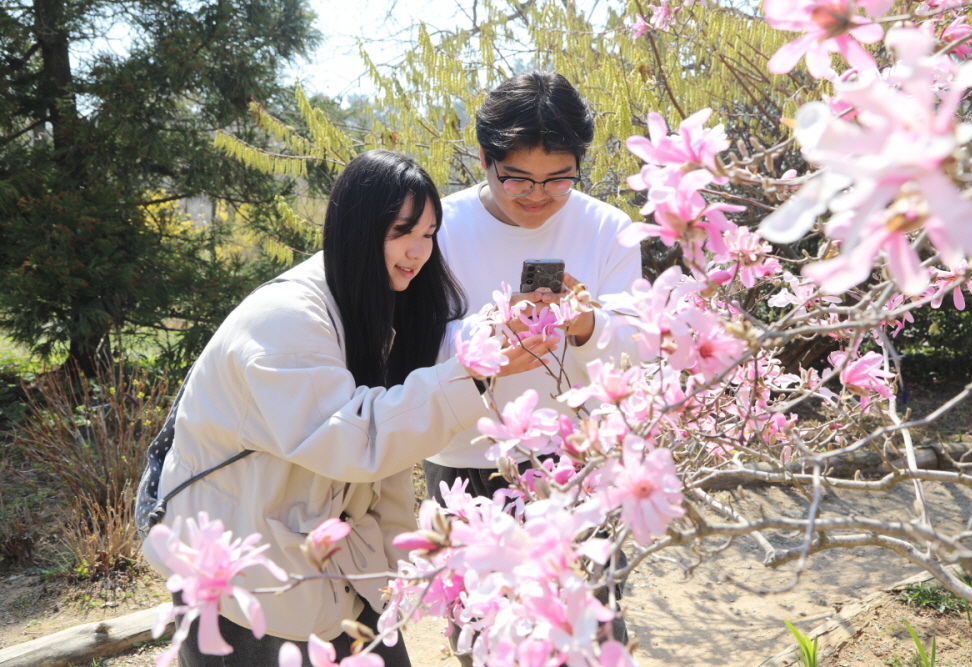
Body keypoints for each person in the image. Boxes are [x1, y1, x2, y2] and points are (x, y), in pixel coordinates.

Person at [139, 150, 558, 667]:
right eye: (402, 231)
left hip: (319, 571)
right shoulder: (286, 322)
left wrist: (404, 569)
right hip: (244, 577)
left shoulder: (367, 301)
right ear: (357, 228)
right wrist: (472, 374)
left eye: (429, 234)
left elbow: (383, 467)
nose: (418, 251)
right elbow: (356, 441)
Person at [422, 70, 642, 653]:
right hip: (467, 457)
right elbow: (409, 348)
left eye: (559, 179)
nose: (539, 196)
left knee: (585, 625)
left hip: (577, 457)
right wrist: (488, 334)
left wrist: (591, 324)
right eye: (517, 179)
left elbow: (644, 347)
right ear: (483, 157)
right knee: (483, 631)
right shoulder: (438, 230)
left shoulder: (607, 228)